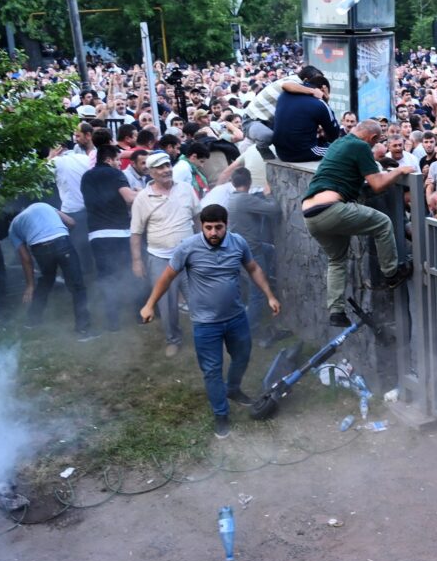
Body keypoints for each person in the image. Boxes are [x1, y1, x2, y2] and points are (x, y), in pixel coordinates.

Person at [140, 204, 281, 439]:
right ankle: (221, 414)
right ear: (201, 226)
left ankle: (233, 388)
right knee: (212, 370)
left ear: (226, 225)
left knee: (242, 356)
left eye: (218, 227)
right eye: (208, 228)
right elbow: (166, 277)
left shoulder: (238, 243)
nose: (213, 232)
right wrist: (150, 304)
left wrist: (270, 295)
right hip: (205, 324)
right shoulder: (188, 247)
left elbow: (253, 268)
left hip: (236, 317)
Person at [302, 120, 415, 326]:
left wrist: (379, 165)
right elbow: (377, 184)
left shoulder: (339, 143)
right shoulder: (361, 146)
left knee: (336, 260)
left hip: (310, 213)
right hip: (331, 209)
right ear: (373, 138)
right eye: (375, 143)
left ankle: (336, 312)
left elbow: (353, 172)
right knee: (382, 223)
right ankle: (391, 274)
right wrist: (398, 171)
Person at [130, 151, 200, 357]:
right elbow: (136, 233)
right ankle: (173, 339)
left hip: (189, 257)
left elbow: (198, 218)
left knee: (199, 299)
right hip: (161, 259)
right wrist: (137, 261)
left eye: (168, 165)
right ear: (151, 172)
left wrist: (203, 245)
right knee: (167, 305)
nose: (166, 170)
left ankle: (206, 335)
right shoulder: (143, 198)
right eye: (160, 167)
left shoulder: (185, 188)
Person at [8, 202, 95, 340]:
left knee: (46, 280)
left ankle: (33, 321)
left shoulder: (13, 227)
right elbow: (71, 222)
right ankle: (83, 330)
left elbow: (25, 258)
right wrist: (64, 236)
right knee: (77, 286)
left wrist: (30, 285)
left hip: (39, 249)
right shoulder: (42, 205)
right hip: (62, 242)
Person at [225, 167, 291, 348]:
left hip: (240, 249)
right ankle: (248, 330)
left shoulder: (233, 198)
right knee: (258, 294)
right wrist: (268, 194)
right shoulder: (244, 200)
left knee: (270, 250)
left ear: (233, 183)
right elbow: (274, 210)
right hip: (250, 253)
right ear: (249, 182)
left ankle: (270, 282)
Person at [81, 145, 138, 331]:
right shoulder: (114, 174)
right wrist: (144, 192)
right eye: (117, 160)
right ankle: (140, 314)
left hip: (96, 234)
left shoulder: (86, 176)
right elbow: (129, 198)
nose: (120, 164)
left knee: (106, 277)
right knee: (130, 272)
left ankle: (112, 321)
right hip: (119, 233)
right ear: (108, 159)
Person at [241, 65, 325, 144]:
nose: (317, 87)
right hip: (251, 121)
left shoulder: (299, 87)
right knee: (267, 136)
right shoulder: (293, 82)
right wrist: (313, 91)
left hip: (269, 123)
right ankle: (263, 149)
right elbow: (286, 85)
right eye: (317, 83)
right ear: (306, 80)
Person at [272, 75, 339, 162]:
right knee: (340, 150)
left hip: (281, 152)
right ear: (323, 89)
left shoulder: (284, 95)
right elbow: (334, 135)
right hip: (302, 152)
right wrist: (326, 102)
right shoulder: (320, 104)